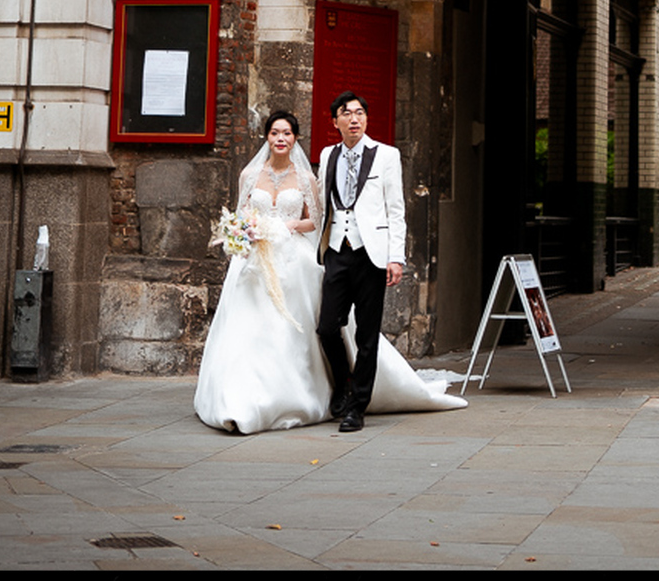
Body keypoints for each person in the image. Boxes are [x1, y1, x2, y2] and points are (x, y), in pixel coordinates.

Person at [192, 109, 463, 434]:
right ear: (266, 137)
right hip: (254, 262)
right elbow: (240, 215)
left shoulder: (307, 178)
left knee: (308, 329)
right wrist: (243, 233)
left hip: (295, 261)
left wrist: (289, 225)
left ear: (295, 139)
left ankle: (312, 393)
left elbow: (317, 221)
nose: (281, 139)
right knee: (249, 331)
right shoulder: (249, 175)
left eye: (287, 133)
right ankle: (241, 399)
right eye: (275, 133)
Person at [317, 90, 404, 433]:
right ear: (334, 121)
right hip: (337, 250)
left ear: (366, 119)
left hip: (372, 254)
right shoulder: (327, 156)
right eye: (346, 113)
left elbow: (396, 210)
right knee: (326, 328)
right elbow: (324, 203)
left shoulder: (386, 155)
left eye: (359, 113)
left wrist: (396, 258)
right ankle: (343, 382)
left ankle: (357, 407)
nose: (354, 119)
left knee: (367, 336)